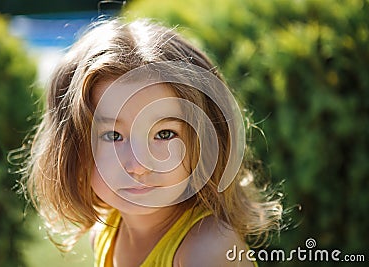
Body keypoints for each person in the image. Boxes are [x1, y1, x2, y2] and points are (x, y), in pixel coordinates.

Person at [18, 18, 282, 266]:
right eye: (113, 136)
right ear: (73, 148)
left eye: (164, 134)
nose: (138, 165)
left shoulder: (207, 251)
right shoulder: (106, 232)